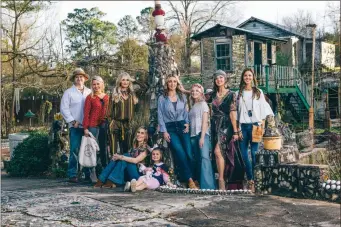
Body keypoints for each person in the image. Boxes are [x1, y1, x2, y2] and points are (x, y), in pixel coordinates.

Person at [236, 68, 274, 192]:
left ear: (253, 77)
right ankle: (250, 178)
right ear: (243, 77)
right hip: (243, 126)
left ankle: (254, 180)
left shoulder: (258, 92)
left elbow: (263, 109)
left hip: (255, 125)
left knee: (254, 153)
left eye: (249, 75)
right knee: (243, 154)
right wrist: (238, 129)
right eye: (245, 75)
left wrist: (262, 126)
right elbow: (236, 112)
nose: (247, 77)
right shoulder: (238, 93)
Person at [157, 74, 197, 189]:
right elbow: (160, 115)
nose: (172, 83)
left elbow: (186, 112)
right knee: (180, 153)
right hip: (170, 129)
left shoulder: (182, 96)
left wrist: (187, 123)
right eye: (170, 81)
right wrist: (164, 131)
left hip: (182, 125)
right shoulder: (162, 98)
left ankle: (194, 178)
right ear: (167, 83)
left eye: (175, 81)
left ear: (177, 83)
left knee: (189, 153)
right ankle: (189, 180)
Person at [206, 70, 240, 190]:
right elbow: (197, 94)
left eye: (221, 77)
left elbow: (233, 113)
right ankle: (222, 178)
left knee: (218, 151)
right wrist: (183, 89)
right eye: (216, 78)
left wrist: (235, 131)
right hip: (214, 125)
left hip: (226, 125)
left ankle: (221, 181)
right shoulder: (211, 95)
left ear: (225, 79)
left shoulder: (231, 95)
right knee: (218, 153)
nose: (219, 80)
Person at [60, 68, 92, 183]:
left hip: (88, 126)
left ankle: (88, 173)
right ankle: (72, 174)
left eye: (81, 77)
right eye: (77, 77)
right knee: (74, 149)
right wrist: (73, 121)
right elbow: (64, 108)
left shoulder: (89, 91)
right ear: (74, 79)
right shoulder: (69, 92)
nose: (79, 79)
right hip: (75, 126)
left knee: (88, 150)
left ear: (85, 79)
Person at [82, 76, 109, 182]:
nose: (96, 86)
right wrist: (85, 128)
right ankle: (92, 172)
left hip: (103, 127)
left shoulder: (107, 97)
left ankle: (103, 172)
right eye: (94, 84)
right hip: (92, 127)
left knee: (103, 150)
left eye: (98, 84)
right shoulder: (90, 98)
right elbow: (86, 114)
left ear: (102, 84)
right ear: (91, 86)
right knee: (92, 150)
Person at [189, 84, 215, 190]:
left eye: (197, 91)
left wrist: (202, 137)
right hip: (192, 135)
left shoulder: (204, 104)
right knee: (198, 160)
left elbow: (205, 122)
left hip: (201, 134)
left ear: (201, 93)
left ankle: (208, 186)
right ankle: (199, 183)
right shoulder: (193, 105)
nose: (194, 92)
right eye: (193, 91)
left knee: (205, 158)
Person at [107, 72, 138, 155]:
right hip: (115, 124)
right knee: (114, 151)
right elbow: (109, 111)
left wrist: (132, 121)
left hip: (127, 125)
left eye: (127, 80)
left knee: (126, 150)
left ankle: (123, 167)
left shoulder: (132, 94)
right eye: (123, 80)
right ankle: (113, 167)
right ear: (119, 81)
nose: (125, 82)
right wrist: (111, 123)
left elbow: (135, 110)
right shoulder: (114, 94)